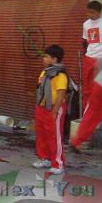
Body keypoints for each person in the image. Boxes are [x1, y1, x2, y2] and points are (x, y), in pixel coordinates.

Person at [32, 45, 68, 175]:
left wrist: (55, 110)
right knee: (41, 135)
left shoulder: (61, 75)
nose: (43, 58)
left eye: (46, 56)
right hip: (41, 108)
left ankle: (58, 163)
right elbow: (40, 90)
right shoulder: (45, 72)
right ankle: (44, 158)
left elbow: (61, 94)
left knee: (55, 136)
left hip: (53, 109)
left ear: (54, 59)